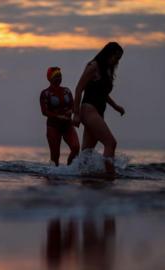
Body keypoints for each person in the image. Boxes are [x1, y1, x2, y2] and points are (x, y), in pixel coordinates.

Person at [73, 42, 125, 179]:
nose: (117, 61)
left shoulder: (107, 70)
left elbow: (103, 93)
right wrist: (76, 114)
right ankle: (110, 174)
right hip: (88, 109)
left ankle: (77, 175)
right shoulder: (93, 66)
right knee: (111, 143)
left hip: (98, 111)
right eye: (116, 57)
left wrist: (115, 106)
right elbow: (79, 88)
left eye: (119, 59)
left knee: (87, 152)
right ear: (108, 54)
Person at [40, 67, 80, 166]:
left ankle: (69, 169)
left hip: (67, 125)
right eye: (56, 76)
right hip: (53, 126)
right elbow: (44, 112)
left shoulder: (66, 91)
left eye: (60, 76)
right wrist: (58, 116)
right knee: (55, 157)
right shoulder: (45, 93)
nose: (59, 78)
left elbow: (73, 105)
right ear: (50, 78)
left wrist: (73, 112)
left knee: (76, 147)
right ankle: (53, 178)